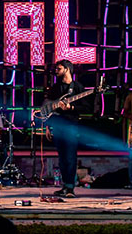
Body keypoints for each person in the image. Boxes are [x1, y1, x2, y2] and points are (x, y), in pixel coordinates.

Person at [43, 59, 91, 198]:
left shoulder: (77, 87)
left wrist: (71, 107)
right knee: (62, 157)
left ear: (67, 69)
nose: (56, 71)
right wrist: (48, 127)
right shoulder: (55, 88)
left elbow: (87, 107)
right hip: (58, 126)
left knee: (70, 157)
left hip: (71, 126)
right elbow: (49, 108)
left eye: (59, 69)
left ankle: (70, 187)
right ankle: (65, 186)